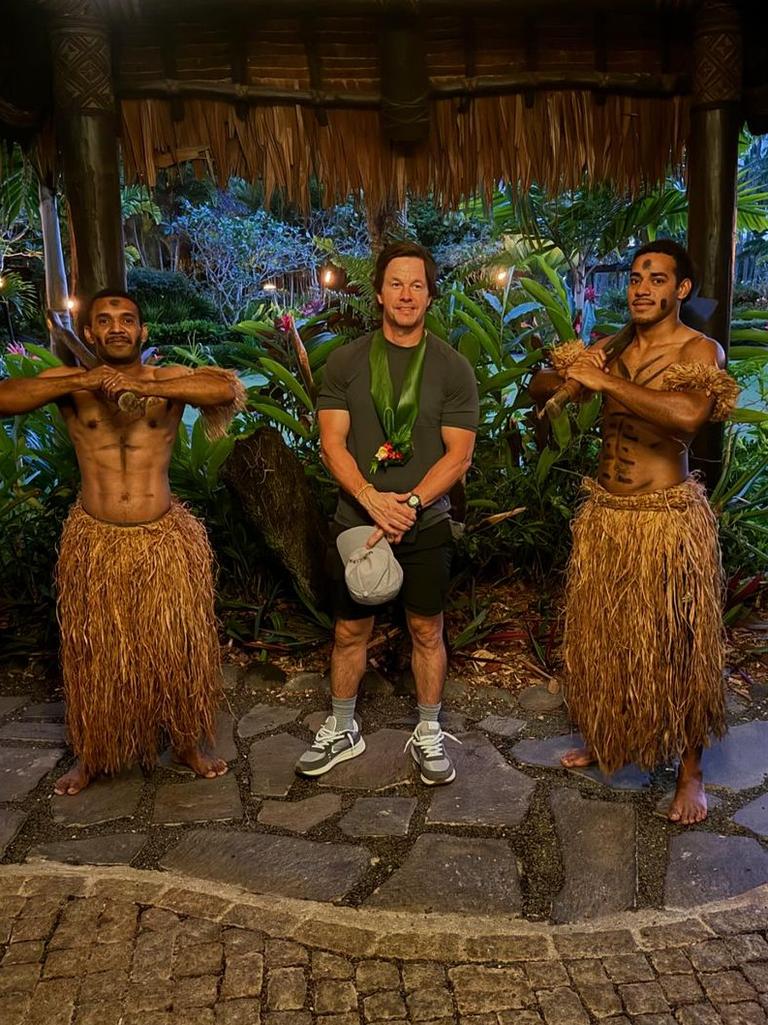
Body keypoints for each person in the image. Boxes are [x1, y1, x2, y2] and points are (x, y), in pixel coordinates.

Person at [0, 290, 245, 794]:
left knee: (177, 651)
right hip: (96, 540)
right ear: (89, 334)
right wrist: (88, 379)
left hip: (164, 541)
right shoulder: (71, 386)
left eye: (127, 320)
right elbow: (4, 397)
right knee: (97, 657)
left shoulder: (166, 380)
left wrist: (150, 389)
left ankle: (186, 742)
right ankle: (92, 754)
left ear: (142, 333)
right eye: (105, 321)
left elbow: (225, 389)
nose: (117, 328)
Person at [530, 240, 739, 825]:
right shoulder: (611, 347)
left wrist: (605, 383)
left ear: (682, 290)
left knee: (678, 645)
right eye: (636, 277)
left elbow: (688, 416)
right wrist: (557, 376)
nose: (642, 287)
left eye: (657, 278)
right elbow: (548, 397)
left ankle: (690, 772)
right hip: (606, 517)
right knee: (608, 638)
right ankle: (610, 741)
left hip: (664, 519)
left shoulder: (700, 349)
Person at [296, 242, 479, 786]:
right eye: (396, 283)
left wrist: (412, 504)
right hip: (357, 519)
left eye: (417, 285)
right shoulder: (347, 361)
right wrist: (372, 499)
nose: (406, 294)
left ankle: (427, 731)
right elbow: (332, 444)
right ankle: (343, 727)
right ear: (378, 292)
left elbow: (459, 455)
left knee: (427, 628)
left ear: (429, 295)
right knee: (351, 629)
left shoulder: (452, 367)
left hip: (425, 520)